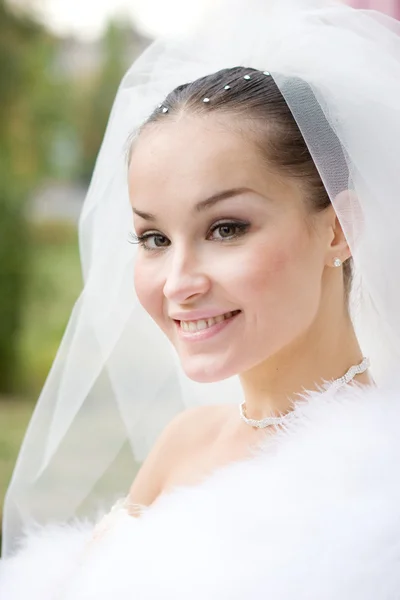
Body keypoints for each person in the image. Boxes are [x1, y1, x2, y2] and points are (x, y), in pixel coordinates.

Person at [2, 0, 400, 597]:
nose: (178, 281)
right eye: (154, 238)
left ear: (337, 229)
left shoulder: (381, 476)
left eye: (226, 228)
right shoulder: (186, 440)